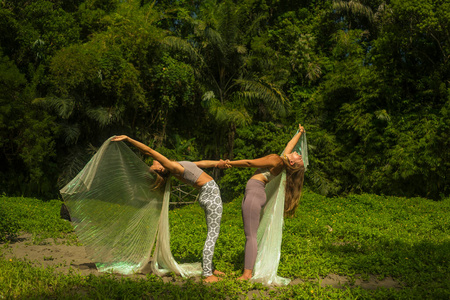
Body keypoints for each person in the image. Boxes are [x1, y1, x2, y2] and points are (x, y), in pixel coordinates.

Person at [111, 135, 227, 283]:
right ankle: (207, 274)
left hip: (207, 194)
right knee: (213, 234)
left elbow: (201, 164)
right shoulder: (173, 167)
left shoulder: (178, 165)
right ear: (161, 167)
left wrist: (219, 163)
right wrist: (128, 139)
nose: (153, 162)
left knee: (212, 233)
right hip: (211, 195)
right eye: (154, 165)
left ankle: (209, 267)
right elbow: (148, 151)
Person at [223, 124, 306, 281]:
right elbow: (290, 146)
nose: (299, 154)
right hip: (255, 193)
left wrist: (230, 163)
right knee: (250, 235)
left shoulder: (276, 160)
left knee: (251, 236)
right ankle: (247, 270)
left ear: (292, 163)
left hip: (254, 193)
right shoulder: (282, 162)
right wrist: (300, 133)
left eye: (299, 158)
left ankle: (247, 274)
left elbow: (250, 163)